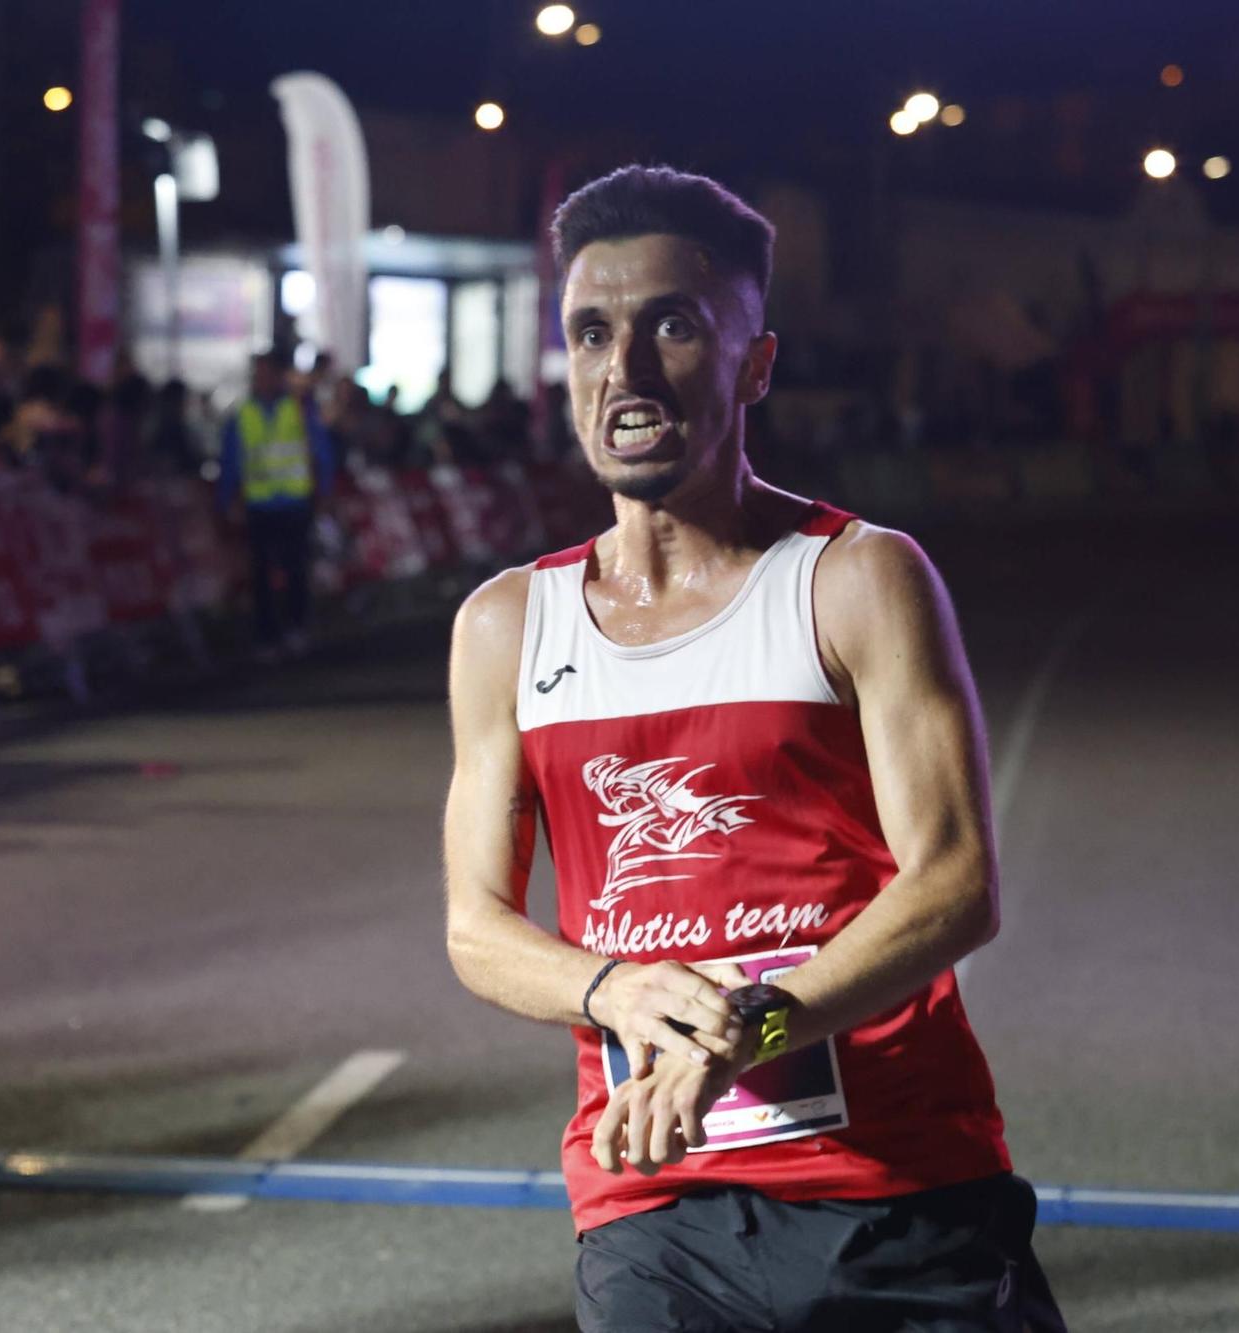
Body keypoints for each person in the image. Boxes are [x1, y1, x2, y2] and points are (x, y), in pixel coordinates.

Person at [444, 165, 1065, 1332]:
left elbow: (955, 888)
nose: (621, 371)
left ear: (754, 364)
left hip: (899, 1191)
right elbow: (475, 926)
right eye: (590, 332)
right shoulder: (504, 626)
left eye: (670, 327)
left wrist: (752, 1028)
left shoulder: (856, 579)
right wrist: (611, 987)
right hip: (653, 1203)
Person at [218, 349, 334, 659]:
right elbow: (231, 461)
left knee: (296, 570)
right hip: (260, 506)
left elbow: (321, 451)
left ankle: (296, 628)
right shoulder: (243, 414)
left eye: (266, 372)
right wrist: (227, 500)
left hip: (295, 502)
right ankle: (267, 635)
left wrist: (323, 491)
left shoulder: (298, 409)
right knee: (260, 576)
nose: (261, 379)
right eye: (257, 373)